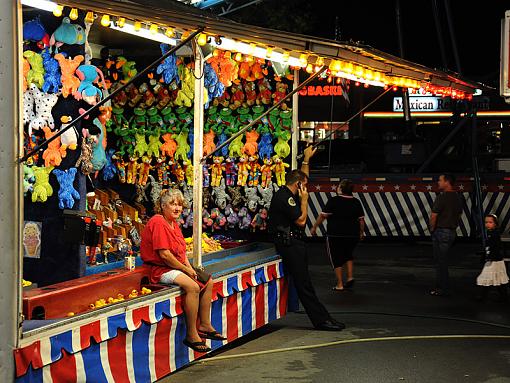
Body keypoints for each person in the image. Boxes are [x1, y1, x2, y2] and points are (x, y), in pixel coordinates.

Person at [268, 146, 345, 331]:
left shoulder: (289, 191)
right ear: (298, 186)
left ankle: (325, 318)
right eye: (304, 185)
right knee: (303, 284)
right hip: (290, 244)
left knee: (306, 283)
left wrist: (306, 160)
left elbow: (302, 176)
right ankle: (321, 321)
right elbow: (302, 221)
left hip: (295, 243)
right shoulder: (286, 199)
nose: (306, 188)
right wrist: (305, 201)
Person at [140, 189, 225, 353]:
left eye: (179, 204)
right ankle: (192, 334)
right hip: (160, 269)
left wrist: (190, 268)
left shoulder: (174, 224)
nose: (177, 208)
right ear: (162, 206)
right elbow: (164, 255)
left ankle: (205, 324)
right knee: (192, 287)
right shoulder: (158, 221)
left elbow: (181, 253)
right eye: (173, 204)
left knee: (208, 282)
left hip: (176, 266)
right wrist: (186, 270)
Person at [310, 179, 365, 291]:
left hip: (335, 234)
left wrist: (314, 227)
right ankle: (350, 277)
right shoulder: (356, 202)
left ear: (340, 189)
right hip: (352, 235)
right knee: (348, 255)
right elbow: (361, 220)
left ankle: (339, 284)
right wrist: (361, 232)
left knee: (336, 258)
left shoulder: (334, 201)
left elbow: (323, 216)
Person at [429, 174, 462, 296]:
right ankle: (443, 286)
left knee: (440, 262)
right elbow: (459, 215)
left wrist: (432, 229)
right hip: (451, 232)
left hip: (440, 231)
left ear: (447, 182)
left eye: (440, 180)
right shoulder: (458, 197)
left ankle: (442, 288)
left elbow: (434, 216)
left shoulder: (441, 197)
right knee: (443, 261)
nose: (438, 182)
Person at [476, 214, 509, 302]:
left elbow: (496, 247)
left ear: (495, 224)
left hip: (495, 260)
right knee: (496, 278)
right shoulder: (490, 233)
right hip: (492, 260)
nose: (487, 224)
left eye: (490, 222)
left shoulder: (495, 234)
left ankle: (483, 296)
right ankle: (503, 296)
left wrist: (489, 256)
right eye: (486, 222)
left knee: (489, 276)